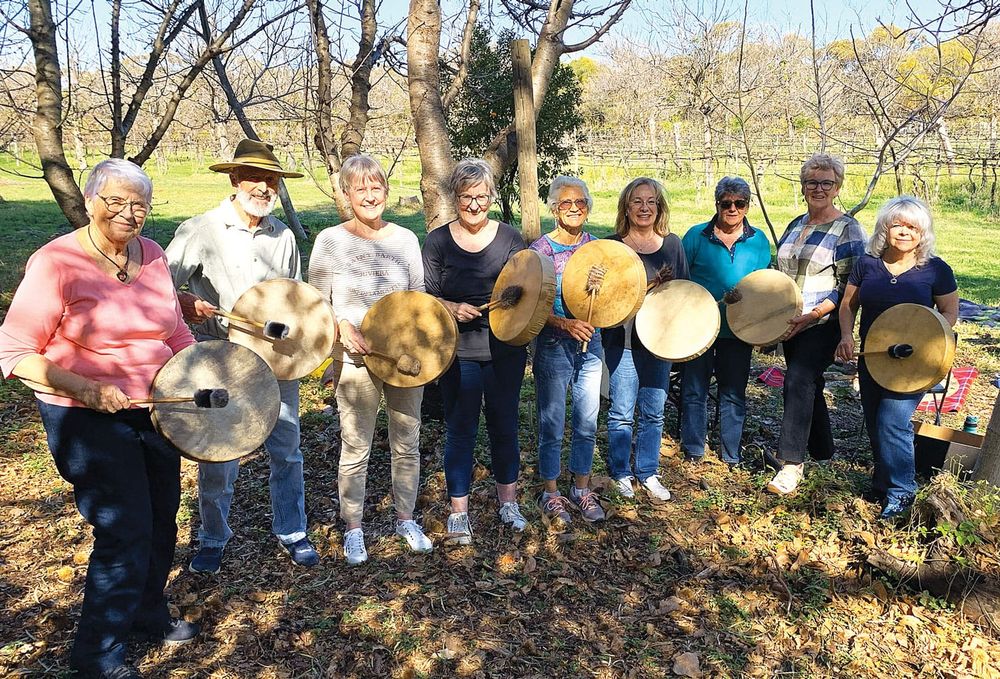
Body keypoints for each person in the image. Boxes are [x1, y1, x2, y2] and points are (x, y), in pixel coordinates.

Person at [0, 159, 198, 678]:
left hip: (156, 410)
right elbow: (15, 353)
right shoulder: (56, 263)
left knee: (160, 519)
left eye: (139, 205)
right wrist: (86, 387)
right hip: (85, 417)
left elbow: (173, 331)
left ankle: (146, 614)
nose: (129, 214)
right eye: (116, 201)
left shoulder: (152, 254)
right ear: (90, 202)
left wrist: (197, 369)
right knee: (123, 529)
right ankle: (97, 656)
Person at [165, 139, 319, 573]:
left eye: (271, 180)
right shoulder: (203, 229)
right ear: (234, 179)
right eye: (256, 178)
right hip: (223, 360)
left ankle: (293, 530)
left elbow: (296, 298)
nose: (265, 187)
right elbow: (158, 287)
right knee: (221, 453)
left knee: (286, 449)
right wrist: (184, 301)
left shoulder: (283, 235)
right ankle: (213, 538)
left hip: (276, 360)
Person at [309, 154, 431, 564]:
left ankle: (406, 518)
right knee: (356, 444)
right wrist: (341, 327)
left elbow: (420, 300)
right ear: (346, 194)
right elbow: (316, 305)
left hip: (403, 359)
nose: (369, 195)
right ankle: (355, 527)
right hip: (355, 360)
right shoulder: (330, 241)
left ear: (387, 192)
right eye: (359, 188)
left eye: (376, 186)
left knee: (407, 441)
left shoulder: (405, 240)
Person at [422, 159, 529, 543]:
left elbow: (527, 289)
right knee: (461, 429)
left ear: (491, 197)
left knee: (504, 426)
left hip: (505, 349)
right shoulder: (436, 241)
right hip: (458, 350)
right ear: (454, 197)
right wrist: (451, 308)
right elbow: (426, 297)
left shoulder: (510, 239)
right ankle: (458, 513)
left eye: (481, 197)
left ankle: (508, 503)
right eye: (466, 197)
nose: (474, 206)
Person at [836, 196, 958, 519]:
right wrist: (846, 335)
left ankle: (903, 493)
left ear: (923, 233)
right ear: (884, 229)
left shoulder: (935, 270)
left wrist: (927, 340)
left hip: (915, 362)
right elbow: (848, 305)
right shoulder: (866, 265)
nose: (904, 232)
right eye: (898, 225)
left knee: (892, 420)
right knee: (877, 422)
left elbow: (949, 311)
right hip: (874, 356)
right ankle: (882, 483)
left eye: (912, 227)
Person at [767, 153, 867, 495]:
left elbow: (851, 285)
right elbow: (778, 272)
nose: (818, 188)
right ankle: (823, 451)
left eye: (826, 182)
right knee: (807, 381)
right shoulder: (796, 224)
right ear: (803, 186)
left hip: (822, 321)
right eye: (812, 182)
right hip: (791, 321)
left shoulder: (848, 228)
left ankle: (791, 462)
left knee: (797, 379)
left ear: (837, 188)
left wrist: (815, 314)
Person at [605, 177, 688, 500]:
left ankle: (648, 471)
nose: (644, 208)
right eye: (637, 201)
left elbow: (683, 293)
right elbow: (601, 294)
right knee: (622, 411)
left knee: (654, 411)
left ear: (659, 207)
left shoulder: (672, 245)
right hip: (623, 341)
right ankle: (620, 472)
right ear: (627, 207)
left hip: (659, 342)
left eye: (651, 201)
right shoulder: (613, 246)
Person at [529, 175, 606, 525]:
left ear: (587, 209)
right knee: (552, 421)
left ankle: (581, 487)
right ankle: (551, 492)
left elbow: (615, 297)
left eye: (580, 203)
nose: (573, 209)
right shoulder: (539, 252)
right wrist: (564, 324)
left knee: (587, 419)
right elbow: (529, 306)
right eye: (565, 203)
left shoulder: (599, 250)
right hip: (553, 343)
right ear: (554, 208)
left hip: (591, 342)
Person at [680, 177, 771, 467]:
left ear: (747, 206)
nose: (732, 209)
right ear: (717, 204)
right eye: (726, 203)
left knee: (733, 391)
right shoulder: (696, 236)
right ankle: (693, 449)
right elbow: (681, 281)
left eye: (739, 203)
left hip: (739, 330)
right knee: (694, 389)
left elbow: (764, 286)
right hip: (698, 328)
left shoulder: (758, 241)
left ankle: (731, 454)